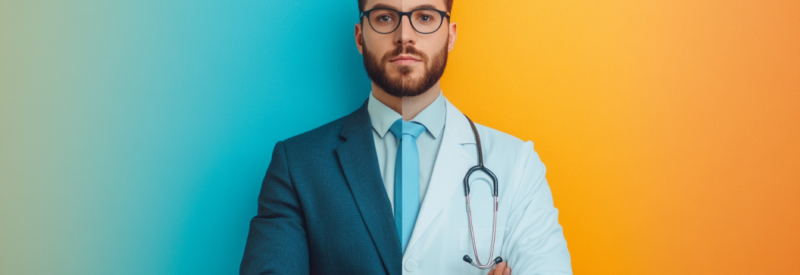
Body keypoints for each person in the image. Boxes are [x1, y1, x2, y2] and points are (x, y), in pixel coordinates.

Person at [240, 0, 572, 274]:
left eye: (424, 17)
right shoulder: (298, 165)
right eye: (385, 17)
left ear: (450, 35)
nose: (404, 36)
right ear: (359, 37)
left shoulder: (516, 164)